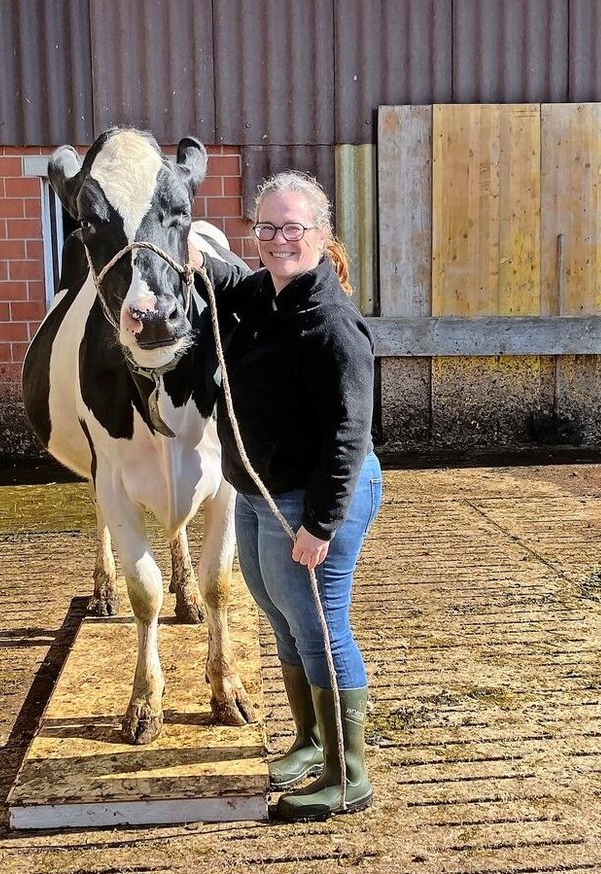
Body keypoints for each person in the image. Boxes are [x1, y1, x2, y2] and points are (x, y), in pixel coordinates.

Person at [189, 171, 381, 821]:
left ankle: (348, 774)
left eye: (292, 227)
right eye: (266, 226)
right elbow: (226, 284)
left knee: (321, 623)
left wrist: (321, 522)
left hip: (317, 494)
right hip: (260, 490)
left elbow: (350, 431)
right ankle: (310, 741)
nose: (277, 239)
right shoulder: (267, 293)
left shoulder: (330, 322)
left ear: (322, 237)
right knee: (278, 610)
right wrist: (185, 252)